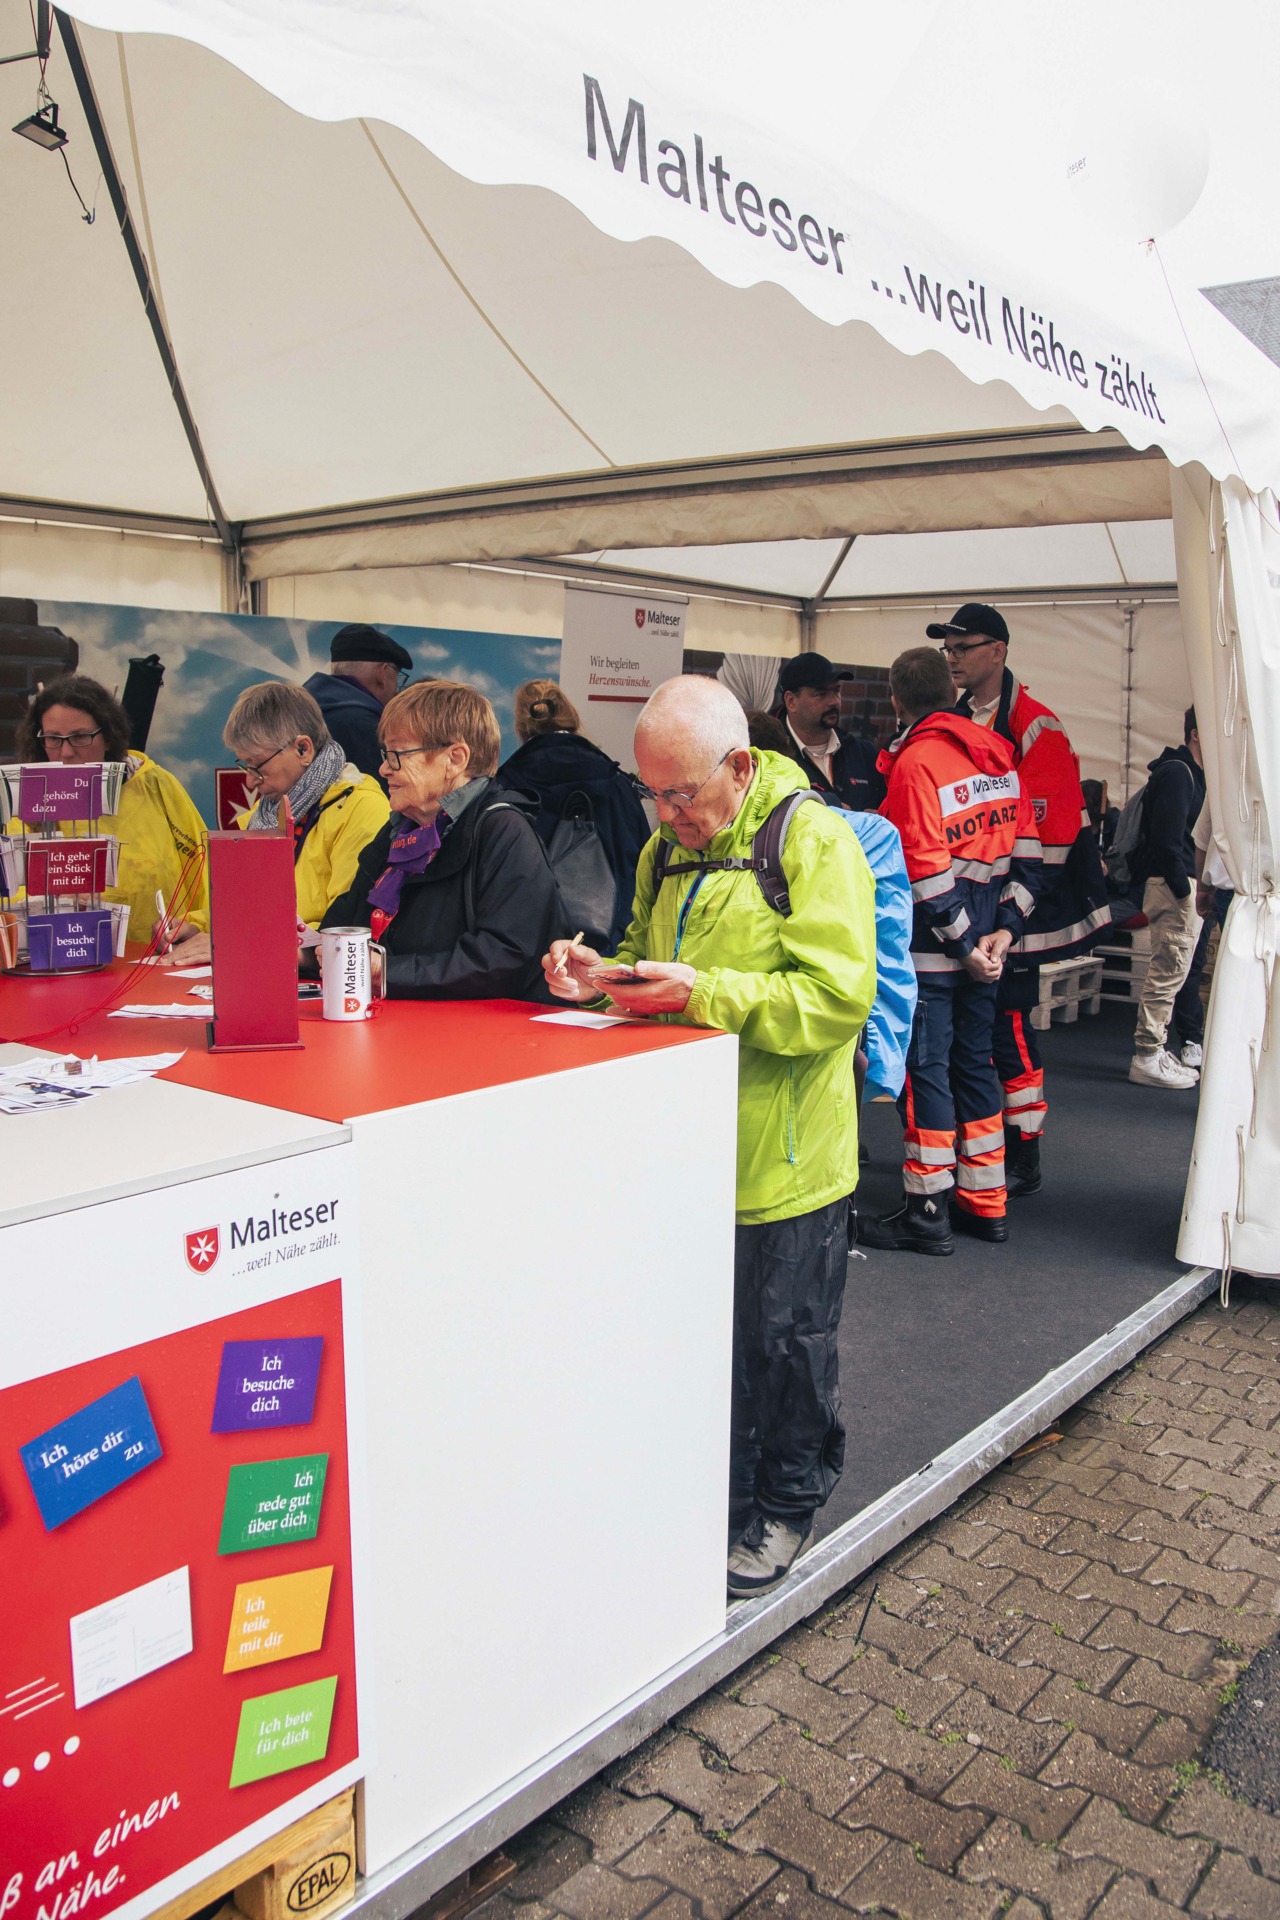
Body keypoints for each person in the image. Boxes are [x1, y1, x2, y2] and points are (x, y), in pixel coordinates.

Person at [543, 676, 876, 1599]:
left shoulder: (813, 838)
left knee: (787, 1343)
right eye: (652, 791)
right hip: (687, 1156)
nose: (663, 812)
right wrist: (599, 977)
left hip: (787, 1158)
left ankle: (789, 1504)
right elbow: (656, 973)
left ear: (738, 765)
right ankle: (723, 1497)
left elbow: (839, 999)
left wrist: (703, 993)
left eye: (681, 793)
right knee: (708, 1342)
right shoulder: (664, 850)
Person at [859, 648, 1042, 1256]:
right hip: (988, 952)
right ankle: (985, 1201)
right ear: (952, 688)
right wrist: (1003, 934)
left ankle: (927, 1208)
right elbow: (1029, 860)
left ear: (896, 699)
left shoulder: (917, 764)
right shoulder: (1000, 755)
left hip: (937, 960)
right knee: (977, 1069)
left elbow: (925, 874)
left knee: (926, 1074)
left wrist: (964, 946)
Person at [941, 602, 1110, 1197]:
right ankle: (981, 1145)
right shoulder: (952, 720)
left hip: (1011, 912)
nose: (954, 658)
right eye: (949, 649)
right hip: (967, 911)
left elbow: (1052, 834)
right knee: (971, 1036)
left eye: (964, 647)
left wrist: (1016, 919)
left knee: (1009, 1030)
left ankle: (1024, 1150)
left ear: (999, 651)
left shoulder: (1037, 725)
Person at [324, 679, 563, 1000]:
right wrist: (311, 954)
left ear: (455, 759)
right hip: (410, 1024)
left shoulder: (503, 830)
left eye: (397, 754)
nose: (383, 768)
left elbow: (502, 957)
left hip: (492, 1037)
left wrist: (384, 971)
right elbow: (348, 924)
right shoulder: (399, 830)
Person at [159, 683, 390, 965]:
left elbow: (341, 929)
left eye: (257, 765)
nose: (249, 780)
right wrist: (196, 924)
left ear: (303, 749)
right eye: (244, 766)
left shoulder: (363, 808)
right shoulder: (268, 810)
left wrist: (238, 944)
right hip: (262, 964)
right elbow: (246, 903)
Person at [14, 674, 210, 948]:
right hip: (54, 962)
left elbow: (206, 872)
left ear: (108, 737)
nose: (66, 752)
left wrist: (195, 924)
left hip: (153, 964)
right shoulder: (27, 800)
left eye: (80, 737)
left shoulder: (154, 784)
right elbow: (12, 893)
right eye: (53, 739)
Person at [494, 679, 649, 949]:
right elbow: (644, 866)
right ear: (572, 716)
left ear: (520, 727)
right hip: (611, 950)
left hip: (523, 952)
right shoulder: (617, 783)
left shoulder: (503, 786)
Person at [1128, 708, 1206, 1089]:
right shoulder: (1179, 773)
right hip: (1174, 886)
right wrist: (1183, 888)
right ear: (1196, 733)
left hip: (1177, 884)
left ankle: (1154, 1051)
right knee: (1167, 972)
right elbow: (1166, 839)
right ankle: (1147, 1054)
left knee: (1172, 973)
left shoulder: (1183, 772)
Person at [303, 624, 414, 785]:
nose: (396, 687)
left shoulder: (300, 710)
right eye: (397, 677)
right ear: (382, 673)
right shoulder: (366, 725)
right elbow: (385, 795)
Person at [1169, 794, 1233, 1071]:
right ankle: (1196, 1039)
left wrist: (1203, 888)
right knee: (1197, 963)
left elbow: (1202, 841)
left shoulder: (1223, 775)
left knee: (1223, 970)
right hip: (1234, 890)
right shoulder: (1216, 776)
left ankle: (1213, 1044)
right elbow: (1203, 839)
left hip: (1232, 888)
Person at [775, 654, 886, 810]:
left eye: (836, 691)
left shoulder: (863, 754)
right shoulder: (772, 756)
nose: (834, 701)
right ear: (791, 701)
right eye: (821, 694)